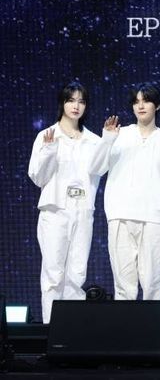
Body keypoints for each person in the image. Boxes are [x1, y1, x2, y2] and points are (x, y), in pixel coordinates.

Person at [28, 82, 112, 323]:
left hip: (83, 211)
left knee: (77, 273)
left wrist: (108, 140)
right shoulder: (47, 135)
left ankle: (71, 330)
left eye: (81, 101)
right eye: (71, 100)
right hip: (55, 211)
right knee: (53, 273)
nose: (76, 106)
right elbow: (38, 177)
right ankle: (51, 329)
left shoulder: (94, 140)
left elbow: (99, 169)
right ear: (62, 103)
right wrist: (49, 150)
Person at [95, 83, 160, 301]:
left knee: (153, 285)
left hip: (152, 219)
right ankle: (125, 324)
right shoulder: (119, 135)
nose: (141, 106)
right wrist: (107, 140)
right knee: (123, 286)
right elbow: (96, 168)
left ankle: (151, 325)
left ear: (157, 105)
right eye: (136, 102)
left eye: (146, 101)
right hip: (120, 216)